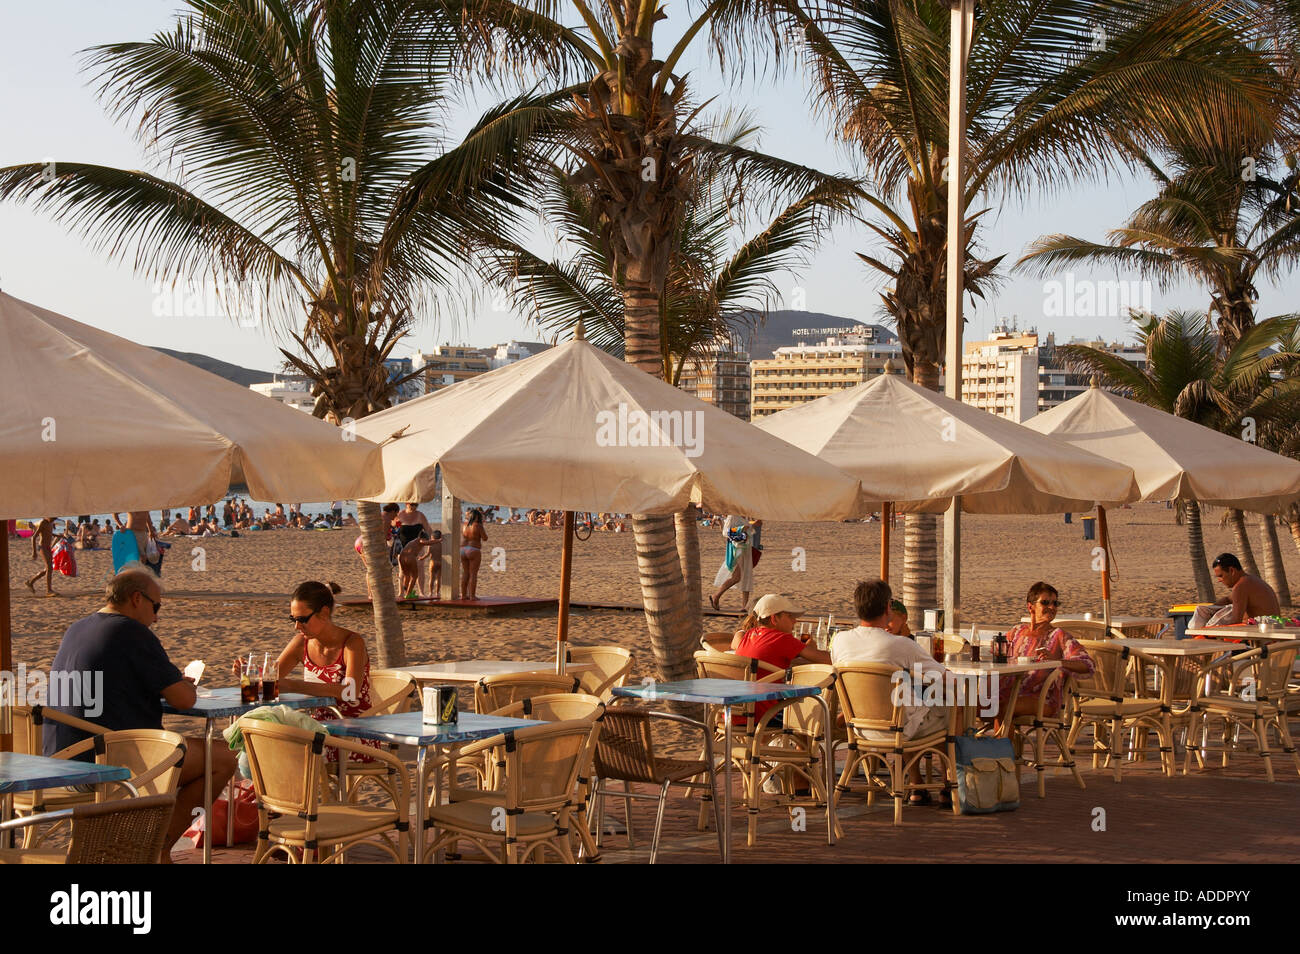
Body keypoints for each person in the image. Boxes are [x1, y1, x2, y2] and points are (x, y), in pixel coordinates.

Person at [45, 565, 238, 862]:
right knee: (223, 758)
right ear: (137, 598)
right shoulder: (130, 631)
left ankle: (150, 841)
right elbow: (184, 700)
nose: (157, 617)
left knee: (181, 754)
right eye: (156, 606)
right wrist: (177, 683)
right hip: (105, 764)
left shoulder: (78, 627)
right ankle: (156, 848)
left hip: (59, 761)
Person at [830, 579, 950, 803]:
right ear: (887, 607)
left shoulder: (839, 641)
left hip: (859, 728)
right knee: (949, 710)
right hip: (897, 728)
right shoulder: (900, 645)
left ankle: (916, 786)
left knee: (910, 709)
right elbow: (944, 677)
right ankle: (948, 787)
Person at [273, 581, 376, 762]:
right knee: (266, 746)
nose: (297, 626)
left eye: (302, 619)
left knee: (289, 755)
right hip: (317, 729)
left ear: (324, 613)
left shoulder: (352, 644)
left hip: (353, 733)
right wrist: (248, 673)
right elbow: (271, 677)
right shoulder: (300, 643)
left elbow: (350, 692)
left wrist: (294, 685)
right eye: (293, 619)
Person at [1000, 582, 1095, 721]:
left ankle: (1000, 743)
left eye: (1055, 604)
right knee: (964, 706)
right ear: (1030, 607)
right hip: (1008, 693)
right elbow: (995, 656)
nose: (1051, 607)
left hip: (1042, 700)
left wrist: (1057, 662)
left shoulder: (1059, 635)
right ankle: (968, 743)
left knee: (1003, 708)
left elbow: (1087, 664)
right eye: (1045, 602)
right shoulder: (1016, 632)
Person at [731, 594, 830, 725]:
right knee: (810, 714)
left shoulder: (750, 634)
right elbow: (826, 659)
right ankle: (803, 746)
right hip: (764, 715)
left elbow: (769, 652)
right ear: (774, 619)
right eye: (790, 616)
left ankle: (768, 744)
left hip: (735, 711)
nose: (795, 621)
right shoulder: (782, 639)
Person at [1191, 553, 1281, 629]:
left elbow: (1235, 622)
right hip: (1274, 627)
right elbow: (1228, 599)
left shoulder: (1241, 586)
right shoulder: (1250, 580)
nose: (1219, 580)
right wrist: (1210, 609)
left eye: (1221, 575)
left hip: (1264, 633)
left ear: (1232, 571)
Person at [710, 516, 759, 611]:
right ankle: (716, 595)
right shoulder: (732, 516)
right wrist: (743, 528)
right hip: (737, 551)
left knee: (746, 576)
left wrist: (753, 525)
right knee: (736, 577)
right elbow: (725, 532)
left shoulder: (743, 516)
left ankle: (744, 606)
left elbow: (749, 531)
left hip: (746, 550)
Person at [460, 508, 488, 601]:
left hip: (463, 549)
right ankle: (472, 596)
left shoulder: (464, 525)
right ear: (478, 517)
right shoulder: (478, 526)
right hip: (474, 549)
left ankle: (464, 595)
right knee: (473, 574)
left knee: (465, 573)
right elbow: (485, 538)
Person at [24, 516, 56, 595]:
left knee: (49, 569)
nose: (53, 519)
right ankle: (49, 590)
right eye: (52, 518)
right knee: (49, 567)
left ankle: (30, 582)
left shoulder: (51, 522)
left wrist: (58, 536)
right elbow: (34, 537)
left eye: (55, 518)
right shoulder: (43, 523)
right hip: (42, 547)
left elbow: (48, 532)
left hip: (48, 547)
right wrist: (34, 552)